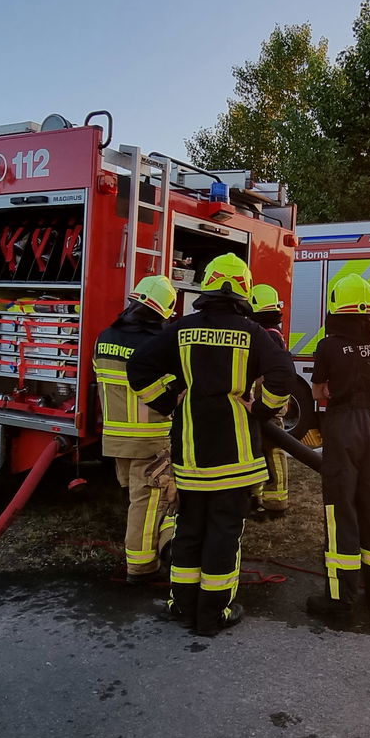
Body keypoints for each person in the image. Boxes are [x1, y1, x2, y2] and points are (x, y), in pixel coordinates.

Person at [128, 254, 297, 636]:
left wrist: (168, 398)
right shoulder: (253, 332)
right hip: (234, 455)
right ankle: (213, 612)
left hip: (191, 452)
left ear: (207, 285)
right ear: (243, 290)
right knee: (224, 530)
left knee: (189, 528)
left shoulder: (181, 329)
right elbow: (283, 373)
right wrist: (263, 409)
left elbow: (138, 366)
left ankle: (182, 605)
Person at [308, 275, 370, 617]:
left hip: (341, 425)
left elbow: (318, 393)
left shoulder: (328, 345)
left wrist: (335, 390)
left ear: (336, 306)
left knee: (339, 508)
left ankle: (340, 597)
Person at [95, 275, 178, 585]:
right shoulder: (155, 346)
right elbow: (170, 393)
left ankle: (163, 547)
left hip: (115, 439)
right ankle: (142, 568)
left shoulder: (104, 338)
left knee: (140, 499)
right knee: (149, 502)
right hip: (150, 439)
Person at [247, 283, 289, 518]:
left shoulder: (268, 335)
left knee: (273, 449)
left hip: (268, 402)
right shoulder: (270, 332)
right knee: (261, 448)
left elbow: (267, 373)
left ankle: (277, 502)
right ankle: (261, 496)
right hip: (263, 402)